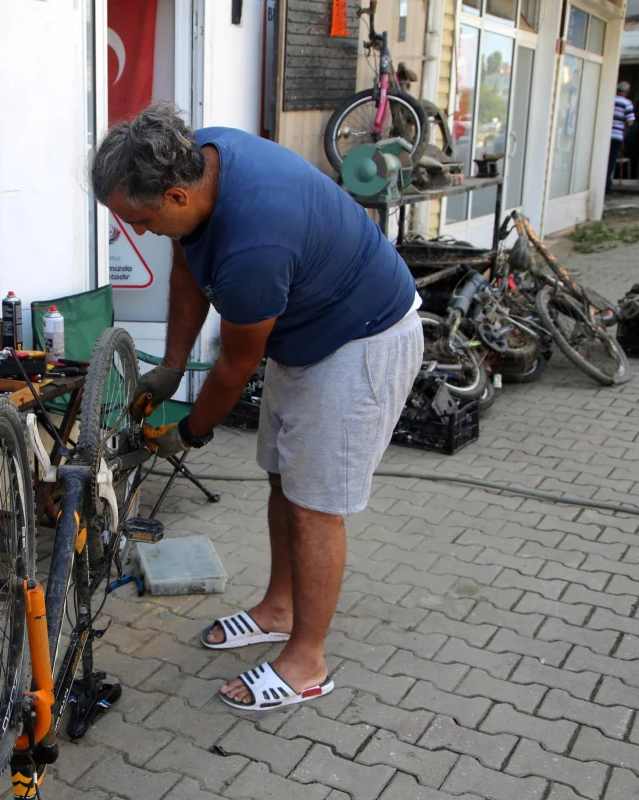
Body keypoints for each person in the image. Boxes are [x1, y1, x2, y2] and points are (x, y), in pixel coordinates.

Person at [91, 102, 423, 711]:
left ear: (174, 195)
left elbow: (237, 364)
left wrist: (188, 432)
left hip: (362, 339)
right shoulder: (200, 160)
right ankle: (279, 607)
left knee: (314, 506)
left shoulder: (254, 242)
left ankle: (308, 661)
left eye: (139, 220)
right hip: (308, 334)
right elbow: (188, 266)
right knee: (282, 478)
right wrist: (170, 365)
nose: (137, 232)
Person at [609, 81, 636, 193]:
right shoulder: (627, 103)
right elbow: (630, 122)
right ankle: (606, 186)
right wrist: (625, 129)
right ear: (626, 92)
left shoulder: (610, 99)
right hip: (617, 136)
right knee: (611, 161)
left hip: (605, 136)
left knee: (602, 160)